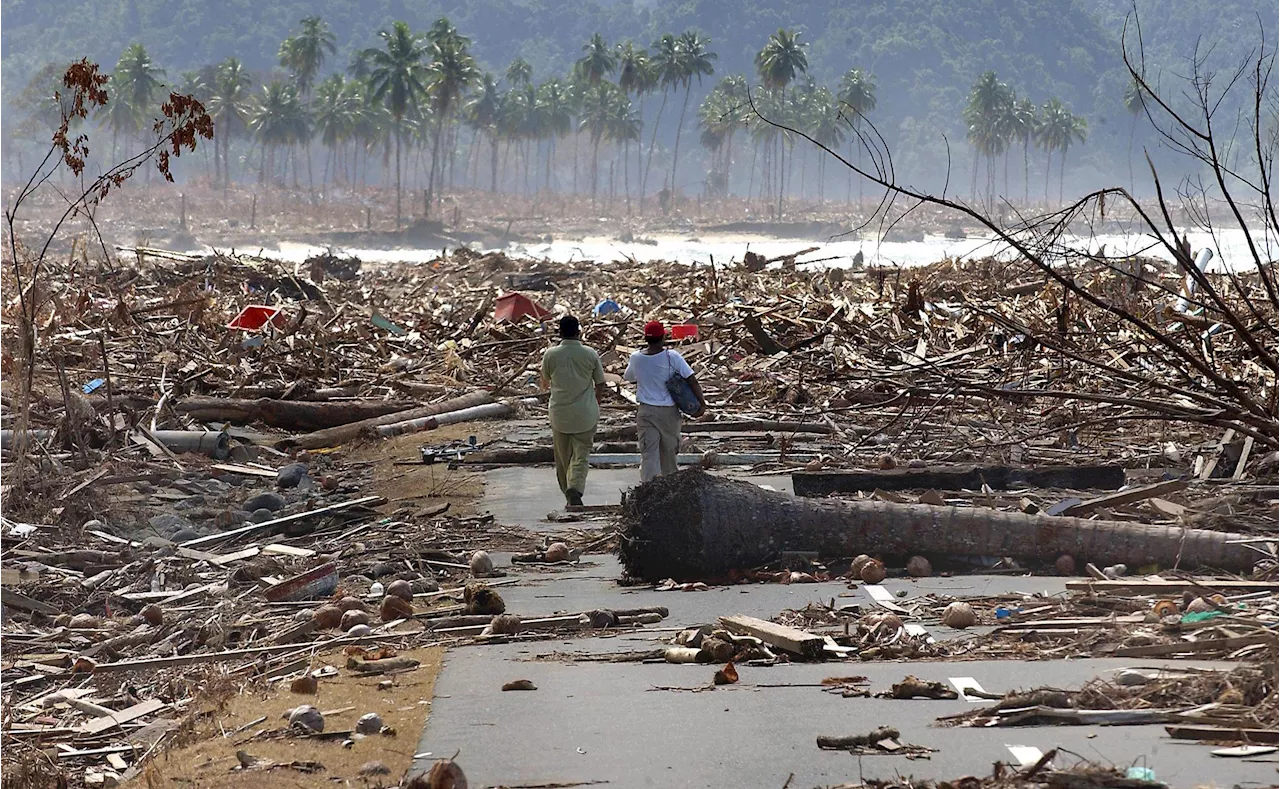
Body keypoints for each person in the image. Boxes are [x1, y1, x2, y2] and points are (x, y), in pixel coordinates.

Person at [624, 320, 707, 482]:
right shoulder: (672, 357)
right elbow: (691, 379)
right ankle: (670, 490)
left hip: (646, 411)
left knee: (648, 454)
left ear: (645, 339)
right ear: (663, 337)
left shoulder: (636, 358)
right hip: (668, 413)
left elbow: (629, 377)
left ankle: (648, 490)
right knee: (669, 454)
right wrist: (701, 404)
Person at [541, 315, 607, 506]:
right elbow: (601, 383)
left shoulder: (550, 355)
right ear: (579, 332)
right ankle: (575, 488)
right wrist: (596, 402)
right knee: (581, 455)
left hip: (559, 413)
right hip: (585, 413)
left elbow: (544, 382)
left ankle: (567, 490)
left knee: (563, 458)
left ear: (560, 332)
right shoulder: (590, 354)